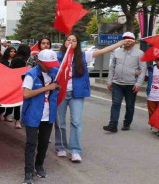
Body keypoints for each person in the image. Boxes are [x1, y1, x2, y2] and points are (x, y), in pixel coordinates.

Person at [56, 34, 133, 162]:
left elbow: (103, 51)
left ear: (77, 43)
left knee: (76, 122)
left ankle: (75, 150)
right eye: (68, 40)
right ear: (64, 42)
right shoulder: (57, 57)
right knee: (60, 122)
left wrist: (121, 43)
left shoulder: (83, 56)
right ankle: (61, 147)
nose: (71, 42)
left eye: (74, 40)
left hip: (77, 94)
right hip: (60, 93)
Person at [20, 49, 60, 184]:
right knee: (31, 144)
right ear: (39, 62)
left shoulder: (55, 73)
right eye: (47, 64)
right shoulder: (31, 75)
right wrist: (47, 87)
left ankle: (39, 165)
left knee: (44, 143)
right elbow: (26, 94)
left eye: (52, 63)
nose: (50, 66)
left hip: (48, 115)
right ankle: (28, 173)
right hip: (33, 114)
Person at [104, 32, 146, 133]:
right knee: (115, 104)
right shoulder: (116, 52)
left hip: (131, 85)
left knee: (130, 105)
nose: (126, 41)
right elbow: (112, 68)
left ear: (133, 41)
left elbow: (143, 70)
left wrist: (138, 84)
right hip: (117, 84)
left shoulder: (139, 53)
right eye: (124, 38)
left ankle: (127, 123)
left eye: (129, 39)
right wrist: (109, 81)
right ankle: (112, 125)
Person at [5, 44, 31, 129]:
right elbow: (18, 72)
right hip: (19, 82)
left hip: (18, 82)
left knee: (15, 101)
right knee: (17, 102)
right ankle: (17, 119)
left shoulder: (18, 59)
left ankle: (9, 115)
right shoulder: (20, 60)